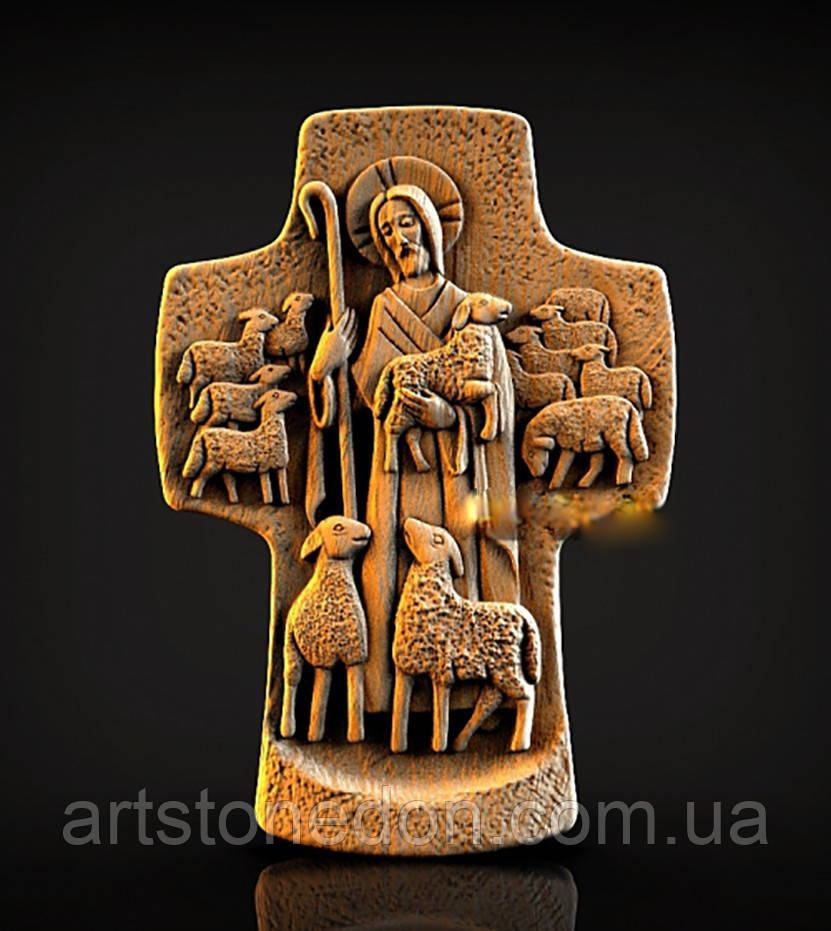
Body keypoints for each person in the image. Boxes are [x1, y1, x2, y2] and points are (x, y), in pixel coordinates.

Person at [310, 183, 518, 711]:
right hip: (394, 473)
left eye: (405, 222)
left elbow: (498, 407)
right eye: (386, 231)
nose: (398, 238)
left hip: (456, 472)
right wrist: (324, 369)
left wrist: (448, 416)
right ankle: (385, 698)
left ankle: (462, 698)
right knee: (388, 575)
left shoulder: (466, 310)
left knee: (455, 573)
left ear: (429, 227)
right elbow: (356, 409)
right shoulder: (383, 307)